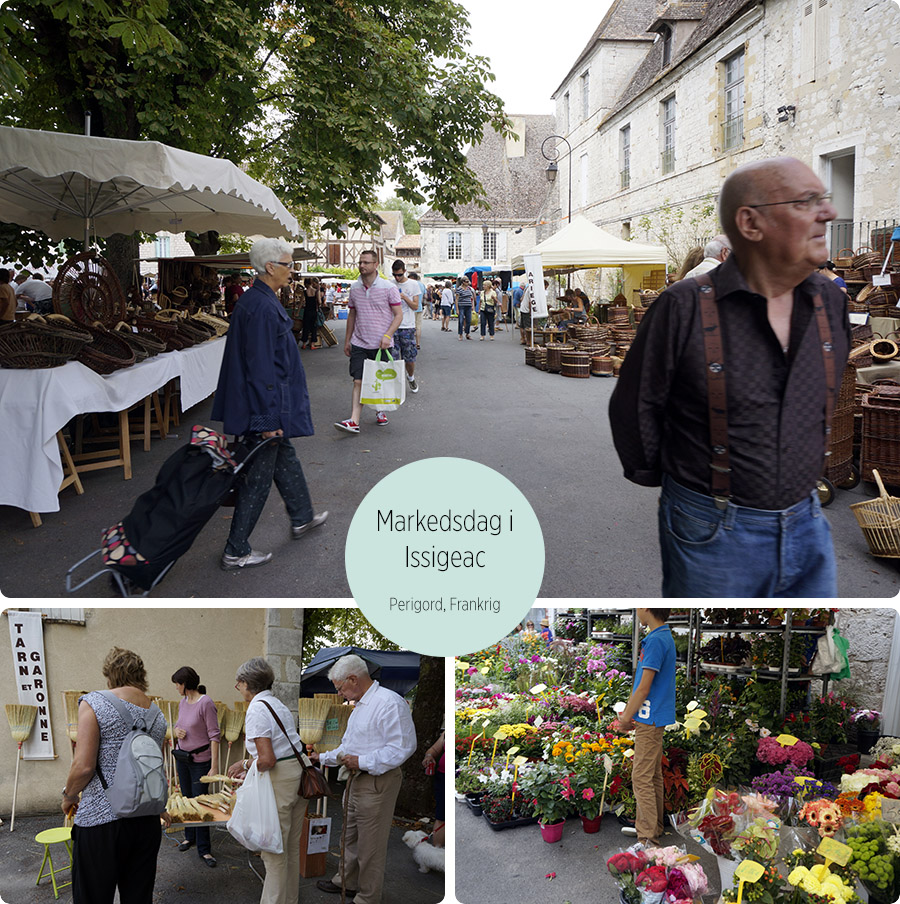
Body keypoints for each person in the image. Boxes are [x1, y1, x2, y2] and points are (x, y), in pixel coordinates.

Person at [609, 156, 850, 597]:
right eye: (807, 201)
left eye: (825, 199)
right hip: (712, 531)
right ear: (751, 223)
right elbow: (635, 406)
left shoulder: (829, 303)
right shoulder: (684, 306)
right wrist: (688, 487)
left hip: (809, 524)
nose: (829, 212)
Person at [212, 237, 328, 572]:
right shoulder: (261, 306)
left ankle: (302, 517)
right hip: (261, 408)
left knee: (284, 456)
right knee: (258, 477)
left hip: (263, 404)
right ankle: (236, 550)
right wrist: (266, 418)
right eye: (289, 264)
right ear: (270, 267)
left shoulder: (257, 300)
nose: (293, 270)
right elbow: (261, 367)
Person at [62, 647, 168, 904]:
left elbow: (84, 766)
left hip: (102, 822)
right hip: (146, 820)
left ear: (110, 675)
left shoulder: (94, 702)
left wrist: (69, 795)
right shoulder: (158, 714)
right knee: (138, 897)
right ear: (141, 675)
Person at [310, 654, 417, 904]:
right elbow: (348, 747)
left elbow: (403, 747)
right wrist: (321, 758)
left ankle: (367, 897)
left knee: (371, 846)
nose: (339, 695)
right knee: (348, 836)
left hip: (377, 782)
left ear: (353, 679)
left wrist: (362, 761)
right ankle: (346, 881)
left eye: (340, 688)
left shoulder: (389, 702)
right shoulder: (359, 707)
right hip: (356, 779)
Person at [227, 658, 309, 904]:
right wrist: (252, 769)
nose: (236, 687)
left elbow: (267, 759)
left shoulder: (256, 708)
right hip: (299, 773)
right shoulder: (276, 704)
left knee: (273, 851)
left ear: (247, 683)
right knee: (291, 848)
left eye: (238, 682)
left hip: (280, 779)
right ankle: (290, 900)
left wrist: (243, 764)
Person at [611, 609, 676, 846]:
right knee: (652, 775)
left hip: (650, 718)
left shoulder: (656, 640)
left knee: (641, 777)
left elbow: (643, 687)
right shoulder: (661, 636)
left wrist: (626, 718)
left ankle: (647, 839)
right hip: (653, 716)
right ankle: (654, 827)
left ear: (647, 608)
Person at [335, 249, 403, 434]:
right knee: (358, 381)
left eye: (365, 262)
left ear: (375, 265)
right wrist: (348, 340)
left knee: (377, 381)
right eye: (360, 262)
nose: (361, 266)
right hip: (360, 342)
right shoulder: (355, 288)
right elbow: (352, 314)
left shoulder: (389, 288)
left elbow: (398, 315)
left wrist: (388, 335)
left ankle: (380, 410)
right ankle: (354, 420)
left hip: (382, 344)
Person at [171, 666, 220, 868]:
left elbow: (214, 736)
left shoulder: (206, 703)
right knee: (186, 800)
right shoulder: (183, 702)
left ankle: (204, 849)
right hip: (182, 758)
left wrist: (215, 766)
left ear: (185, 684)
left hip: (200, 762)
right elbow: (178, 725)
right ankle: (188, 837)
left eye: (177, 684)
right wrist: (177, 732)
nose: (176, 688)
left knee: (200, 804)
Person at [390, 259, 421, 392]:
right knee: (394, 358)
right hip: (392, 326)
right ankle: (397, 384)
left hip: (407, 326)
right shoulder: (389, 284)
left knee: (409, 358)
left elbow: (415, 306)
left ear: (405, 272)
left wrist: (404, 297)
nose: (397, 278)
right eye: (394, 275)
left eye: (399, 275)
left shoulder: (413, 284)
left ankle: (411, 377)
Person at [422, 731, 445, 847]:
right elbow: (433, 750)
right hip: (442, 777)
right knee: (441, 816)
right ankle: (437, 852)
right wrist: (429, 756)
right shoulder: (446, 733)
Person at [301, 277, 322, 349]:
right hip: (314, 311)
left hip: (307, 311)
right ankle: (312, 344)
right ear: (311, 283)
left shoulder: (304, 292)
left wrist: (297, 312)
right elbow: (319, 302)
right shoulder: (316, 291)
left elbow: (301, 303)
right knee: (313, 327)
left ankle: (304, 344)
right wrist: (318, 305)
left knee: (305, 327)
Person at [409, 270, 425, 349]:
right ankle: (418, 343)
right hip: (419, 307)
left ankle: (411, 343)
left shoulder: (410, 284)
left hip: (411, 308)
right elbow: (424, 297)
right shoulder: (422, 285)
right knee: (418, 327)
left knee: (411, 326)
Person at [456, 276, 475, 340]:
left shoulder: (469, 289)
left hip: (468, 306)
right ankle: (460, 334)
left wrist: (472, 306)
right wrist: (457, 309)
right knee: (461, 320)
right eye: (467, 282)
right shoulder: (459, 289)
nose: (468, 283)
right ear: (463, 282)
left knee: (468, 320)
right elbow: (456, 299)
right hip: (461, 306)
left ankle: (467, 333)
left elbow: (471, 298)